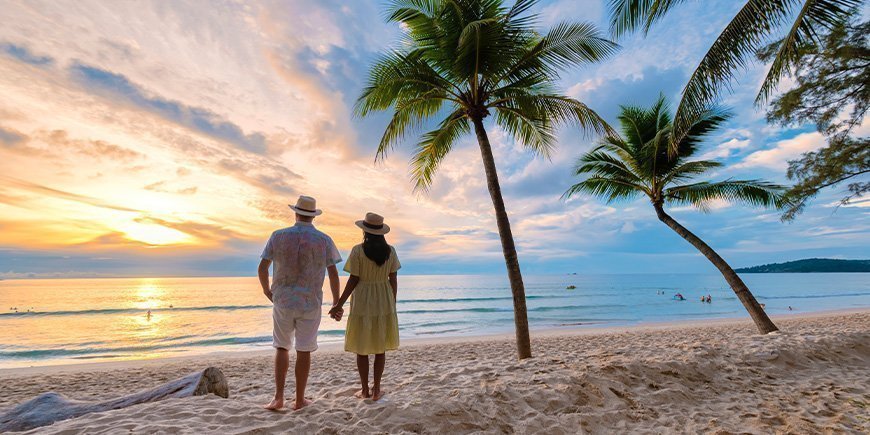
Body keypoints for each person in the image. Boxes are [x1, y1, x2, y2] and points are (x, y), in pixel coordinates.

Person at [258, 195, 342, 411]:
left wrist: (268, 290)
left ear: (295, 213)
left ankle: (278, 398)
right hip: (310, 302)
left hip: (283, 301)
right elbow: (333, 274)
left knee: (282, 347)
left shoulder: (278, 236)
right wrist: (336, 302)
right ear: (313, 216)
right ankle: (299, 399)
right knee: (304, 350)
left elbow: (262, 268)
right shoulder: (324, 240)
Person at [329, 212, 400, 401]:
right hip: (383, 298)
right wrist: (392, 301)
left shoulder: (358, 250)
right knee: (380, 347)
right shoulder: (391, 251)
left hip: (362, 299)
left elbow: (353, 279)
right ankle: (377, 389)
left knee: (362, 347)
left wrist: (339, 304)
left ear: (365, 231)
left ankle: (365, 390)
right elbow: (393, 279)